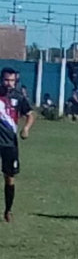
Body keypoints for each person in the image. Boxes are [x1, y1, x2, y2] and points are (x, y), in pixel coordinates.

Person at [0, 68, 36, 222]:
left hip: (9, 143)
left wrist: (26, 129)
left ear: (16, 81)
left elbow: (30, 115)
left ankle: (8, 210)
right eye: (6, 80)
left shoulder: (19, 98)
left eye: (12, 80)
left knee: (9, 177)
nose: (9, 83)